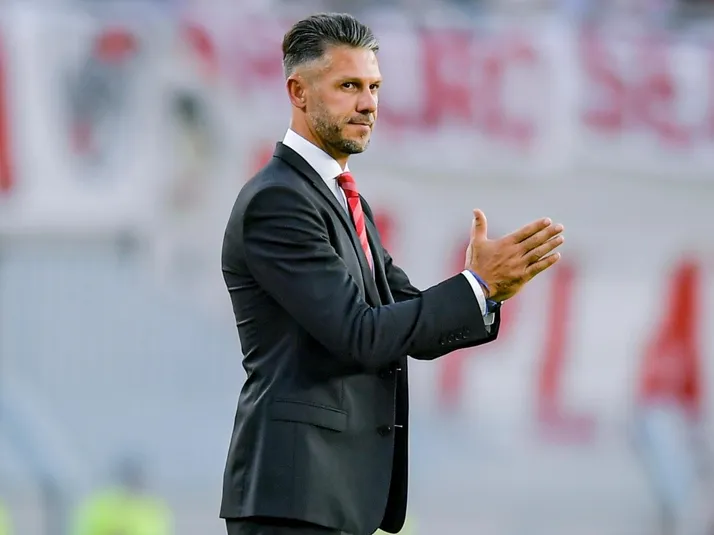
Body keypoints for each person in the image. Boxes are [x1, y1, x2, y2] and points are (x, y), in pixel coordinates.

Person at [220, 12, 565, 535]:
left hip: (330, 497)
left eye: (374, 87)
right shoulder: (279, 202)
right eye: (349, 86)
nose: (368, 104)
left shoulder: (343, 200)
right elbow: (359, 334)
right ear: (298, 91)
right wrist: (475, 286)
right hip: (294, 496)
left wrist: (484, 292)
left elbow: (402, 319)